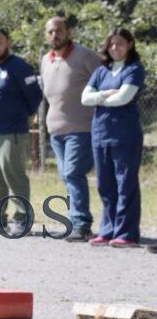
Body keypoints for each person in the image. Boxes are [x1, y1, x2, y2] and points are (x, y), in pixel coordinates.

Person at [39, 16, 103, 242]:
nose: (54, 35)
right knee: (68, 177)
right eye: (50, 32)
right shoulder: (46, 60)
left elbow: (106, 77)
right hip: (56, 129)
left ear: (68, 32)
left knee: (73, 173)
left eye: (58, 31)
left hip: (82, 127)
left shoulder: (85, 55)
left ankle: (82, 224)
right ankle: (76, 219)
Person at [82, 28, 146, 247]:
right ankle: (107, 230)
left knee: (125, 183)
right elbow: (84, 98)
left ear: (129, 44)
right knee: (105, 184)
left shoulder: (134, 69)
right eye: (111, 44)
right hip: (101, 134)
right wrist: (104, 95)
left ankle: (126, 233)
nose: (115, 48)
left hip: (125, 135)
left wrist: (99, 98)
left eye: (119, 44)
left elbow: (123, 98)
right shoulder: (102, 71)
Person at [0, 29, 43, 237]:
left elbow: (34, 97)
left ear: (8, 43)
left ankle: (22, 219)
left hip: (11, 131)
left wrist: (20, 115)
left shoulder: (20, 67)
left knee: (14, 175)